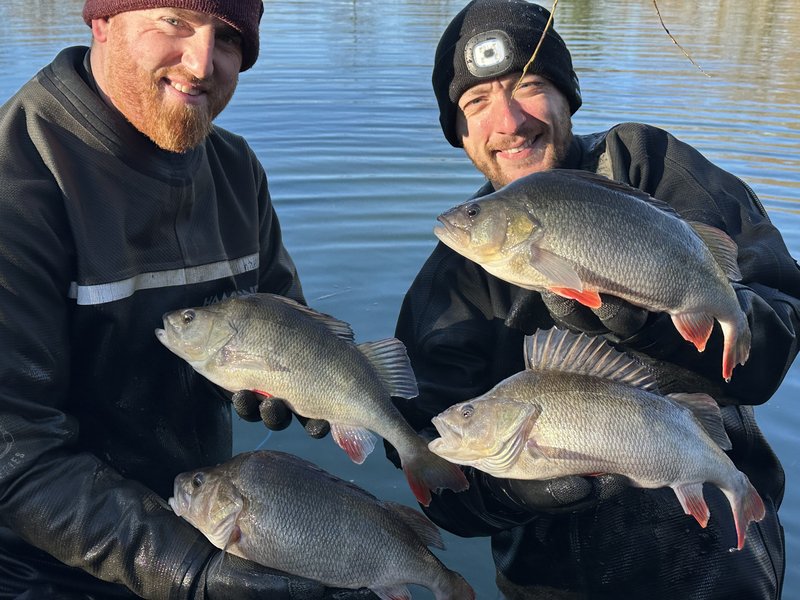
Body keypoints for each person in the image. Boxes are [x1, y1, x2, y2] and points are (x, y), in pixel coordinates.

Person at [384, 0, 800, 598]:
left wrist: (656, 319)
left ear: (565, 96)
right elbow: (440, 478)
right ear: (460, 131)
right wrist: (511, 487)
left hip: (716, 554)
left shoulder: (650, 168)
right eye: (476, 103)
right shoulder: (453, 280)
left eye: (528, 86)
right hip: (550, 582)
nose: (509, 121)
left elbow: (776, 339)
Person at [0, 1, 371, 598]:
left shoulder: (234, 169)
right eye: (174, 21)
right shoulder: (18, 180)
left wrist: (299, 384)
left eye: (226, 37)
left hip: (210, 519)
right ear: (101, 21)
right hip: (44, 572)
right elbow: (11, 451)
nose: (201, 63)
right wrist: (189, 572)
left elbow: (286, 316)